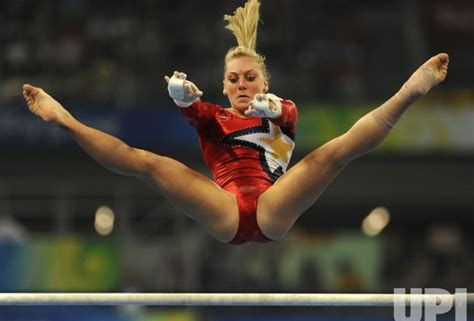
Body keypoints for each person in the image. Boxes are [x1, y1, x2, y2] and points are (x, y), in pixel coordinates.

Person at [22, 0, 449, 245]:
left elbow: (284, 115)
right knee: (146, 163)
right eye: (233, 80)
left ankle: (408, 91)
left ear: (264, 80)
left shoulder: (286, 111)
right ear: (223, 86)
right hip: (224, 208)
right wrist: (182, 96)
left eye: (250, 78)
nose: (241, 84)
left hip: (272, 206)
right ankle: (64, 119)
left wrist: (270, 108)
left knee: (334, 154)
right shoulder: (212, 115)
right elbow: (193, 111)